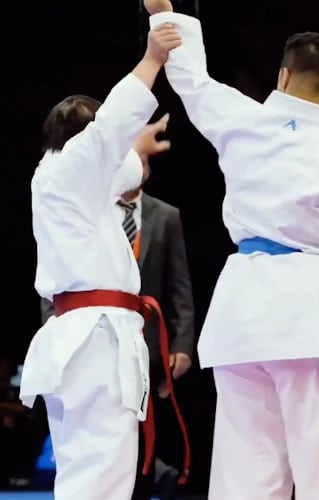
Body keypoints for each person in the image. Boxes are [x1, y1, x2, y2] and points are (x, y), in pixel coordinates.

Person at [143, 1, 319, 498]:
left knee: (246, 472)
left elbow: (192, 81)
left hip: (242, 316)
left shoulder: (244, 119)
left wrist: (165, 14)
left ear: (283, 76)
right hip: (316, 319)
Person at [18, 25, 182, 500]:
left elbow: (121, 167)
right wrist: (152, 59)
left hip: (80, 338)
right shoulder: (74, 167)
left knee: (88, 467)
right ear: (82, 140)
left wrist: (137, 145)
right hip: (93, 340)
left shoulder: (59, 180)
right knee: (103, 468)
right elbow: (110, 129)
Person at [39, 151, 195, 500]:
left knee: (134, 435)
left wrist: (183, 344)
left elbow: (178, 283)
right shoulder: (82, 206)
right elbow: (57, 273)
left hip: (147, 340)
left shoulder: (165, 215)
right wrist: (60, 328)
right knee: (96, 438)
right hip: (86, 335)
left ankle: (150, 479)